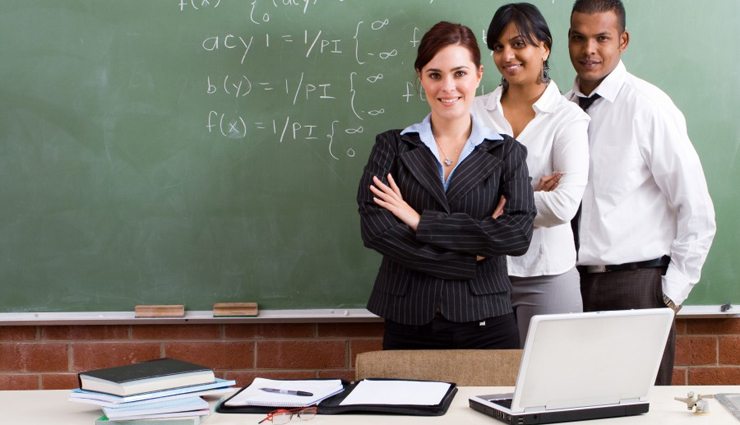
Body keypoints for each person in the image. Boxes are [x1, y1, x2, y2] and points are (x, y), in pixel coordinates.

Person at [357, 21, 536, 350]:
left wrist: (419, 221)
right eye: (435, 74)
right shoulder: (391, 147)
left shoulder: (507, 152)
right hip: (408, 315)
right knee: (404, 404)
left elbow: (517, 234)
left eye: (459, 73)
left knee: (489, 402)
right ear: (421, 78)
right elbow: (378, 231)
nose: (448, 87)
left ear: (479, 75)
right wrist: (469, 258)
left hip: (486, 318)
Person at [566, 0, 716, 384]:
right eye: (579, 38)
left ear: (623, 40)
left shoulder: (647, 107)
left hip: (636, 286)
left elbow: (696, 208)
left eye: (602, 38)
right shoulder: (561, 110)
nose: (589, 50)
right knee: (573, 403)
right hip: (569, 287)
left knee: (640, 410)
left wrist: (671, 295)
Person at [472, 3, 590, 344]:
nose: (507, 55)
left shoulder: (568, 118)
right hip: (480, 273)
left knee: (556, 386)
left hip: (548, 272)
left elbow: (565, 205)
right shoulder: (475, 113)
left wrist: (498, 200)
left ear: (545, 47)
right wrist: (530, 189)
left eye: (519, 43)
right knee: (483, 384)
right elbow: (458, 197)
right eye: (498, 47)